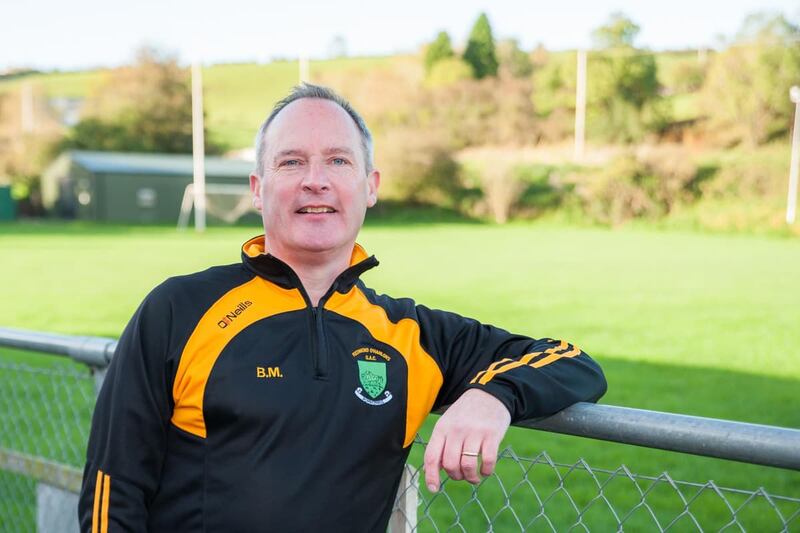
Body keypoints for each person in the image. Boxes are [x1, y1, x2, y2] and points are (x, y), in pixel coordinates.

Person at [79, 83, 606, 532]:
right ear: (258, 190)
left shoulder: (409, 334)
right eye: (292, 162)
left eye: (338, 160)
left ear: (369, 186)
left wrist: (493, 396)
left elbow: (572, 361)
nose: (316, 179)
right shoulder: (179, 309)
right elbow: (112, 489)